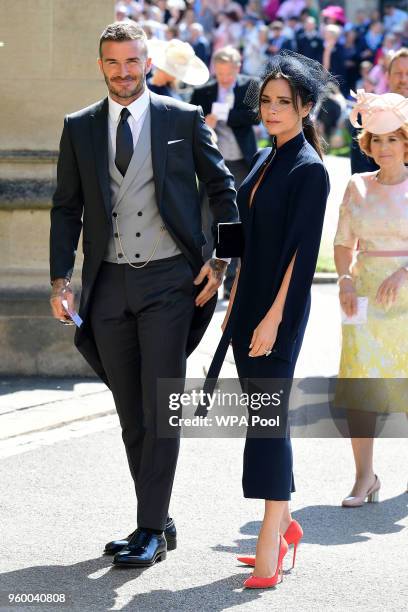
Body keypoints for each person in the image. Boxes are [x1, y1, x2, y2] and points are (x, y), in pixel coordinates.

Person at [49, 21, 237, 568]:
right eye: (114, 62)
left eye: (133, 62)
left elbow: (223, 189)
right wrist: (61, 279)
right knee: (132, 411)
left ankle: (150, 528)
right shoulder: (79, 126)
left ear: (147, 64)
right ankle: (157, 518)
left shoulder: (180, 119)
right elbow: (66, 207)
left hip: (169, 283)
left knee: (161, 408)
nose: (124, 72)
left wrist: (223, 260)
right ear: (101, 65)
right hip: (107, 286)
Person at [205, 51, 331, 589]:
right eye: (267, 101)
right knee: (260, 419)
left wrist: (274, 320)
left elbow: (302, 257)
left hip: (278, 314)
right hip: (246, 306)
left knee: (268, 422)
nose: (272, 109)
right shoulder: (263, 157)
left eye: (285, 102)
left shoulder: (310, 170)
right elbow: (242, 228)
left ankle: (269, 539)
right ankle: (283, 526)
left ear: (305, 107)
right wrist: (216, 269)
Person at [334, 89, 408, 507]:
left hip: (406, 296)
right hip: (361, 297)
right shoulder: (356, 186)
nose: (384, 148)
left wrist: (404, 270)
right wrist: (344, 279)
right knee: (359, 386)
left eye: (392, 138)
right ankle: (365, 478)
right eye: (376, 140)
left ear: (406, 141)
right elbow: (343, 242)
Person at [190, 46, 259, 298]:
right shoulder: (203, 91)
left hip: (240, 161)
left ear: (237, 68)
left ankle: (232, 282)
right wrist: (204, 122)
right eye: (219, 74)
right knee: (206, 220)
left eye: (228, 74)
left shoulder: (249, 86)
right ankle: (203, 276)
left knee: (234, 221)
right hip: (212, 163)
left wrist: (226, 115)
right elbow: (191, 121)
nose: (224, 78)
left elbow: (255, 117)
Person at [350, 48, 408, 173]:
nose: (403, 79)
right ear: (388, 76)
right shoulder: (369, 112)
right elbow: (361, 168)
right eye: (398, 73)